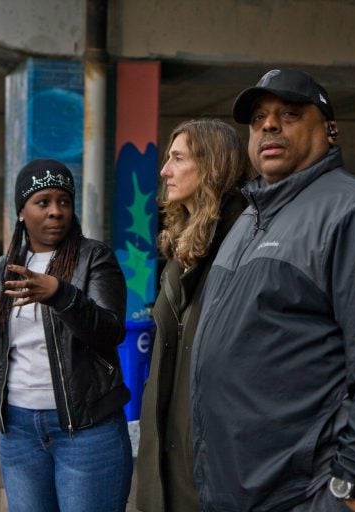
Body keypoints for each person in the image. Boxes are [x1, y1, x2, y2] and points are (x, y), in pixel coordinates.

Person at [189, 69, 355, 512]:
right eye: (259, 117)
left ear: (330, 129)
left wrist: (351, 492)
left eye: (289, 113)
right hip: (241, 487)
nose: (269, 125)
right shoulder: (250, 218)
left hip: (304, 494)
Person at [0, 158, 132, 512]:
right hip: (19, 431)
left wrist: (61, 294)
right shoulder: (5, 268)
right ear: (21, 212)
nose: (56, 211)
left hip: (87, 430)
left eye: (63, 201)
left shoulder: (94, 258)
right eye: (42, 202)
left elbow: (109, 331)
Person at [135, 119, 251, 512]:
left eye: (177, 158)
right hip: (168, 461)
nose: (165, 170)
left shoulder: (245, 245)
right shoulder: (182, 247)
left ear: (212, 165)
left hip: (213, 465)